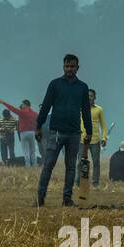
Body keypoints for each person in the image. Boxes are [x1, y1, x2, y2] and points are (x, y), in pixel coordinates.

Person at [34, 53, 93, 207]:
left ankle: (67, 199)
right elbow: (46, 106)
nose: (69, 69)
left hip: (74, 133)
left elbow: (86, 111)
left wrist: (89, 131)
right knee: (48, 165)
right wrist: (38, 126)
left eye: (72, 66)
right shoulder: (55, 84)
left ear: (77, 68)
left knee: (71, 166)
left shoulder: (82, 87)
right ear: (63, 67)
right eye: (67, 66)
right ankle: (40, 198)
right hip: (56, 132)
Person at [79, 89, 108, 187]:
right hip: (82, 139)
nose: (89, 98)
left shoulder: (99, 109)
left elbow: (103, 126)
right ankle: (78, 182)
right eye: (87, 96)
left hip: (95, 140)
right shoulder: (80, 108)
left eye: (91, 96)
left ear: (94, 98)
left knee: (96, 162)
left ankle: (95, 182)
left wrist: (104, 138)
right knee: (80, 162)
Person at [0, 99, 39, 167]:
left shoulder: (22, 112)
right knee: (33, 150)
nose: (21, 105)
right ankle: (34, 164)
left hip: (24, 133)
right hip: (32, 132)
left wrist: (3, 103)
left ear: (25, 105)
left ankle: (28, 165)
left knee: (26, 150)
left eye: (23, 104)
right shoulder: (35, 114)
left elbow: (12, 109)